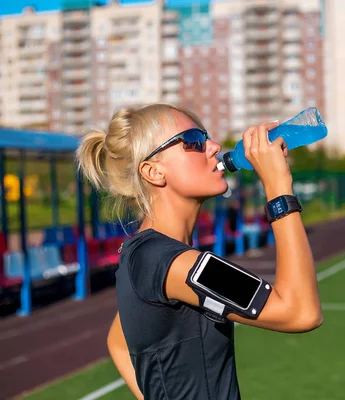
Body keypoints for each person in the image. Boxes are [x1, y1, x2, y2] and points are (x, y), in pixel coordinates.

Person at [76, 103, 323, 400]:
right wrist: (279, 189)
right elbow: (301, 312)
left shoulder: (144, 254)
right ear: (153, 171)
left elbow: (118, 339)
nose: (214, 146)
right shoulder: (173, 262)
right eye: (194, 140)